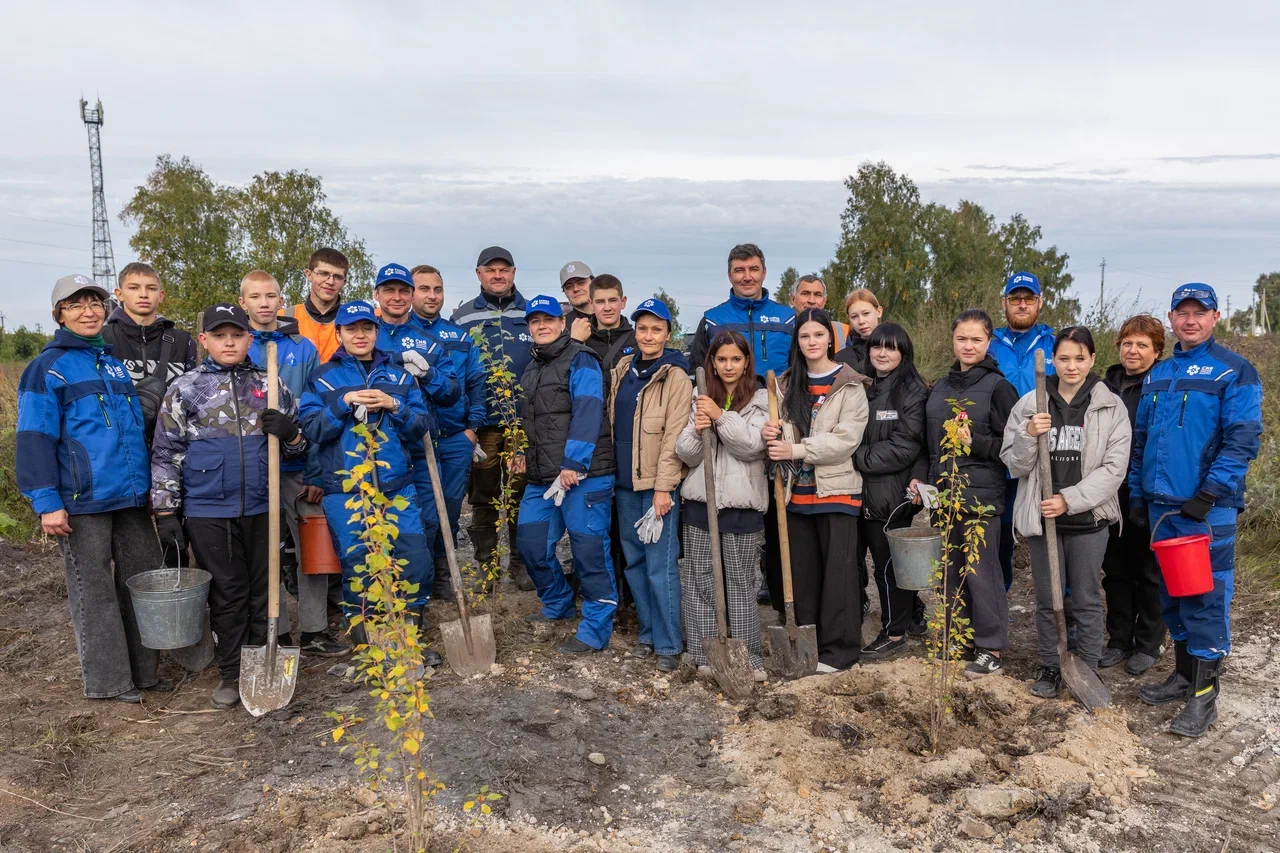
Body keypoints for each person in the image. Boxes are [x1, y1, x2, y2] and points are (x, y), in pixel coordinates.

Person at [16, 274, 172, 704]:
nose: (89, 312)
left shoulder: (111, 363)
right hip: (82, 502)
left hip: (130, 496)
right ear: (59, 314)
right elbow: (33, 439)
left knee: (142, 582)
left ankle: (145, 672)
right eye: (76, 305)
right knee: (95, 592)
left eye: (95, 303)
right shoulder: (46, 369)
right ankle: (108, 681)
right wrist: (47, 501)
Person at [151, 302, 308, 709]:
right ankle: (231, 672)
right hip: (208, 509)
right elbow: (166, 453)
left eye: (236, 335)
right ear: (204, 341)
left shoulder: (270, 385)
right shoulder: (186, 389)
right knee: (227, 592)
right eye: (219, 336)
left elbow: (300, 446)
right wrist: (166, 511)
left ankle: (263, 663)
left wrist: (289, 433)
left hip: (262, 507)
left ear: (249, 338)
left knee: (263, 589)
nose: (229, 342)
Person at [1130, 284, 1262, 738]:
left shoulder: (1234, 371)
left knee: (1205, 599)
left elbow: (1243, 439)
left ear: (1215, 317)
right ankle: (1184, 676)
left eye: (1199, 312)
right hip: (1161, 506)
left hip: (1206, 510)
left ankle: (1204, 700)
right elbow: (1141, 441)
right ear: (1171, 318)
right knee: (1172, 597)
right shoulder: (1158, 374)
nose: (1190, 320)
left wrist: (1210, 492)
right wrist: (1135, 494)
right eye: (1182, 312)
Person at [299, 302, 441, 667]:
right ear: (340, 334)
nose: (359, 335)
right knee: (359, 564)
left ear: (376, 332)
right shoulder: (323, 377)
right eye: (351, 329)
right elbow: (312, 429)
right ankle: (369, 648)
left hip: (397, 486)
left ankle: (408, 639)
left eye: (366, 328)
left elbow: (421, 427)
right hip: (345, 491)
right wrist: (342, 404)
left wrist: (395, 405)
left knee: (414, 561)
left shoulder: (398, 376)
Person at [1001, 327, 1132, 698]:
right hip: (1044, 520)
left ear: (1092, 359)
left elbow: (1114, 469)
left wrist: (1069, 499)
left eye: (1079, 358)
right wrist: (1028, 433)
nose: (1071, 366)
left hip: (1089, 520)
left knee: (1087, 598)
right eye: (1063, 358)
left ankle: (1088, 668)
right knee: (1048, 598)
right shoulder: (1031, 403)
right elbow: (1014, 463)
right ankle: (1051, 665)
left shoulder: (1110, 405)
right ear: (1052, 360)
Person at [239, 271, 346, 657]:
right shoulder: (237, 344)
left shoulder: (301, 348)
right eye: (256, 297)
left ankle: (315, 630)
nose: (265, 304)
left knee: (313, 550)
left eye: (271, 296)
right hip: (253, 467)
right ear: (244, 303)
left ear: (282, 300)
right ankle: (278, 630)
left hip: (299, 466)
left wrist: (316, 468)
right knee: (264, 550)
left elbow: (315, 411)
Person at [763, 308, 869, 673]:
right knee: (802, 576)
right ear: (798, 341)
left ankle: (839, 652)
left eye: (818, 335)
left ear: (830, 340)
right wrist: (771, 435)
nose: (811, 342)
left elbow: (845, 440)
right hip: (794, 495)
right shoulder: (785, 385)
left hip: (836, 492)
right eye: (805, 336)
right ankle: (806, 648)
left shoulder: (851, 385)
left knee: (837, 576)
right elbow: (777, 430)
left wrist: (795, 450)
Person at [512, 296, 618, 655]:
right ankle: (557, 602)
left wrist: (574, 462)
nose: (541, 326)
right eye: (534, 321)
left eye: (548, 319)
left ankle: (595, 628)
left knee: (589, 553)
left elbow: (588, 410)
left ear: (562, 322)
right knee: (530, 544)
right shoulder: (532, 367)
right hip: (543, 478)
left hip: (584, 476)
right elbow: (530, 420)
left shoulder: (581, 358)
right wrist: (519, 451)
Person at [918, 308, 1019, 677]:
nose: (969, 345)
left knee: (981, 571)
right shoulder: (942, 387)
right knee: (950, 570)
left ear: (989, 342)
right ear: (953, 340)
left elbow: (1012, 447)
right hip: (944, 493)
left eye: (977, 339)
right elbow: (929, 444)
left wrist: (973, 443)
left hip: (981, 496)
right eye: (962, 338)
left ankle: (990, 647)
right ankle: (957, 637)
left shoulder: (998, 387)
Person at [674, 331, 769, 673]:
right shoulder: (701, 398)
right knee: (699, 581)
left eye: (736, 359)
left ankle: (748, 660)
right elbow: (686, 453)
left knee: (741, 585)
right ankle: (705, 656)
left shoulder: (761, 400)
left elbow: (749, 446)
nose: (728, 366)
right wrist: (696, 428)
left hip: (741, 508)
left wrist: (719, 416)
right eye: (722, 359)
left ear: (746, 364)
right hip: (700, 505)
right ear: (712, 363)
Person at [606, 298, 692, 672]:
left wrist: (664, 487)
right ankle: (647, 633)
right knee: (634, 562)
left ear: (668, 333)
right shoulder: (624, 369)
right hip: (626, 483)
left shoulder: (674, 374)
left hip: (657, 486)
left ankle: (670, 643)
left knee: (660, 563)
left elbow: (675, 435)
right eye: (642, 328)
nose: (648, 335)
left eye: (656, 329)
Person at [373, 262, 462, 607]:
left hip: (421, 444)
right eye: (389, 290)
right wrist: (394, 360)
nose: (397, 297)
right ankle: (381, 595)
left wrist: (428, 376)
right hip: (375, 448)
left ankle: (413, 600)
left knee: (424, 522)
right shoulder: (365, 332)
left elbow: (452, 392)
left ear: (411, 295)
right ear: (377, 294)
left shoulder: (430, 342)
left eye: (403, 291)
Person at [451, 246, 534, 589]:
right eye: (490, 269)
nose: (498, 275)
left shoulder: (533, 313)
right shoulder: (463, 317)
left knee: (521, 494)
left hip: (521, 425)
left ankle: (520, 563)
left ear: (514, 273)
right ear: (478, 274)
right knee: (483, 496)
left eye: (504, 269)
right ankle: (486, 566)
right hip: (482, 424)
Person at [411, 264, 488, 599]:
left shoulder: (458, 336)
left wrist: (472, 429)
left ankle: (445, 574)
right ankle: (420, 577)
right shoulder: (395, 333)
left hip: (455, 437)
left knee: (451, 508)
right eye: (424, 289)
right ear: (410, 293)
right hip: (415, 438)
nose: (432, 295)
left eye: (437, 289)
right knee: (423, 512)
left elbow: (476, 382)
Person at [854, 323, 929, 659]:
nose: (883, 353)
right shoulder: (862, 385)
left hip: (892, 493)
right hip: (861, 490)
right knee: (875, 563)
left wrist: (853, 457)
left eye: (891, 348)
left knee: (887, 566)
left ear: (903, 352)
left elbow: (905, 446)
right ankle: (911, 615)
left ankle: (894, 634)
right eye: (877, 347)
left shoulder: (912, 391)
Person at [1099, 315, 1167, 675]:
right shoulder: (1103, 387)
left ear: (1157, 351)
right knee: (1115, 569)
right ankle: (1118, 639)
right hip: (1108, 491)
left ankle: (1148, 643)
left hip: (1148, 489)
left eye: (1142, 345)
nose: (1133, 350)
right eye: (1128, 343)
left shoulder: (1163, 385)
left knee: (1149, 570)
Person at [989, 271, 1057, 591]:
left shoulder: (1056, 344)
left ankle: (1054, 595)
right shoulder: (989, 344)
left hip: (1043, 452)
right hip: (1000, 454)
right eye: (1015, 298)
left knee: (1047, 525)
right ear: (1004, 303)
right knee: (1000, 528)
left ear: (1039, 302)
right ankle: (999, 594)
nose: (1021, 304)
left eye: (1028, 298)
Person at [101, 262, 197, 442]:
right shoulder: (102, 339)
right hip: (118, 445)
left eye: (151, 288)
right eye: (134, 287)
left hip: (171, 447)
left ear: (161, 296)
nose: (143, 294)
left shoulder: (183, 341)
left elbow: (196, 397)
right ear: (119, 294)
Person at [689, 243, 795, 379]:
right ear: (729, 275)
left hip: (778, 398)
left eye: (754, 269)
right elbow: (697, 374)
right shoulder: (712, 321)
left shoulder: (788, 318)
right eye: (739, 270)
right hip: (726, 399)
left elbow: (801, 371)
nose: (747, 277)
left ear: (764, 273)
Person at [283, 248, 352, 362]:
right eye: (323, 274)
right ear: (309, 274)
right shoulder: (285, 317)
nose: (330, 282)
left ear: (344, 282)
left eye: (338, 277)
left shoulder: (352, 321)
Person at [585, 274, 637, 374]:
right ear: (591, 304)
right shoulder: (583, 342)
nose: (607, 308)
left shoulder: (638, 340)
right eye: (600, 302)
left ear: (623, 302)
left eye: (612, 300)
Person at [789, 275, 850, 350]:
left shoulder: (842, 330)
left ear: (824, 301)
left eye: (817, 295)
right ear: (793, 299)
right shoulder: (781, 331)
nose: (812, 301)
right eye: (805, 294)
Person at [836, 288, 883, 373]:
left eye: (866, 313)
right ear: (849, 318)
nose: (861, 321)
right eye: (854, 317)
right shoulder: (841, 358)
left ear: (878, 312)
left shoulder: (897, 347)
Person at [560, 261, 595, 343]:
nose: (575, 289)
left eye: (581, 283)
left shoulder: (611, 318)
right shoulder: (561, 328)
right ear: (565, 292)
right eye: (569, 287)